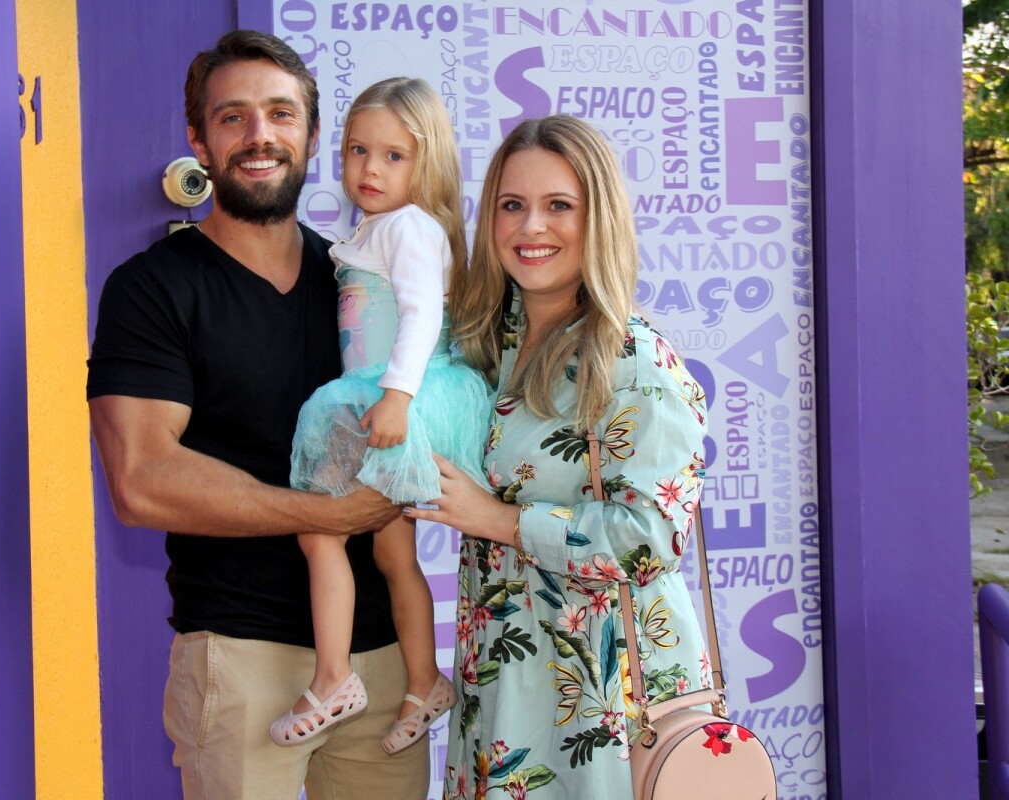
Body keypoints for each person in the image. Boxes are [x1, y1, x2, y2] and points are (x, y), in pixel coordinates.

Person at [86, 31, 430, 800]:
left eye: (281, 114)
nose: (259, 136)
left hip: (381, 665)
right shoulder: (153, 289)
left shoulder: (358, 281)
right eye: (233, 117)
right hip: (241, 659)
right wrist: (327, 512)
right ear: (198, 141)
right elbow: (142, 480)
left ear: (312, 134)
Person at [404, 115, 710, 798]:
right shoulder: (485, 349)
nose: (530, 227)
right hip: (504, 684)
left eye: (558, 206)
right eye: (512, 205)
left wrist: (501, 520)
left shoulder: (632, 360)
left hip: (606, 701)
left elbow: (649, 539)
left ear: (598, 217)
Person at [272, 77, 490, 755]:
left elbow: (423, 314)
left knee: (318, 533)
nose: (369, 169)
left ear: (427, 164)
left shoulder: (408, 227)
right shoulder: (382, 227)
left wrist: (396, 395)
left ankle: (335, 677)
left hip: (390, 396)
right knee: (392, 549)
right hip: (385, 393)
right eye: (356, 150)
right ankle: (425, 680)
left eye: (393, 156)